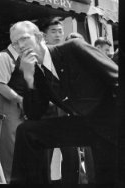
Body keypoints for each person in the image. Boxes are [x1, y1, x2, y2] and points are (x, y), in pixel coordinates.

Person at [10, 21, 118, 185]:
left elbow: (116, 78)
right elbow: (34, 114)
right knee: (27, 131)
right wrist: (29, 79)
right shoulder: (35, 72)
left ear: (39, 37)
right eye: (15, 43)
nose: (20, 45)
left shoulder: (73, 48)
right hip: (83, 125)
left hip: (112, 125)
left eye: (24, 38)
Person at [42, 18, 81, 184]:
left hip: (67, 112)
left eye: (60, 31)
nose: (58, 35)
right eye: (53, 31)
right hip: (47, 113)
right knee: (46, 157)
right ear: (44, 35)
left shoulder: (68, 55)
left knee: (71, 156)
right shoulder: (39, 55)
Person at [0, 23, 28, 182]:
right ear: (15, 40)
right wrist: (19, 99)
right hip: (9, 106)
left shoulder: (26, 57)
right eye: (25, 38)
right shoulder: (4, 57)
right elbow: (0, 85)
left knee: (23, 147)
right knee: (10, 148)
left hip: (23, 105)